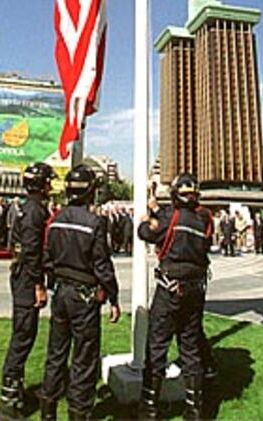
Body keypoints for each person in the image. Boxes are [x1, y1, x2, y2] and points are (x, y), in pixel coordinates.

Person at [40, 165, 121, 421]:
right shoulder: (94, 222)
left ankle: (48, 411)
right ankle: (79, 413)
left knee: (56, 354)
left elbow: (47, 258)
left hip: (61, 294)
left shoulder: (54, 220)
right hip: (84, 296)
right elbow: (102, 264)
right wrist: (113, 297)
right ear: (90, 192)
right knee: (84, 359)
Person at [138, 173, 213, 420]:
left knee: (157, 345)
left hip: (170, 289)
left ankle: (148, 408)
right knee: (190, 347)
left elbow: (146, 233)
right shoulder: (204, 219)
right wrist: (156, 209)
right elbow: (176, 224)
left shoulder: (172, 217)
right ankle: (195, 409)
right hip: (196, 290)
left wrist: (146, 219)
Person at [0, 162, 56, 421]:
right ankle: (8, 405)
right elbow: (32, 252)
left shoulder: (28, 206)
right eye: (48, 182)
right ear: (41, 184)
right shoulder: (34, 211)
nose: (51, 186)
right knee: (22, 336)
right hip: (26, 280)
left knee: (24, 335)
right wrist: (38, 285)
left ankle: (16, 392)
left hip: (21, 275)